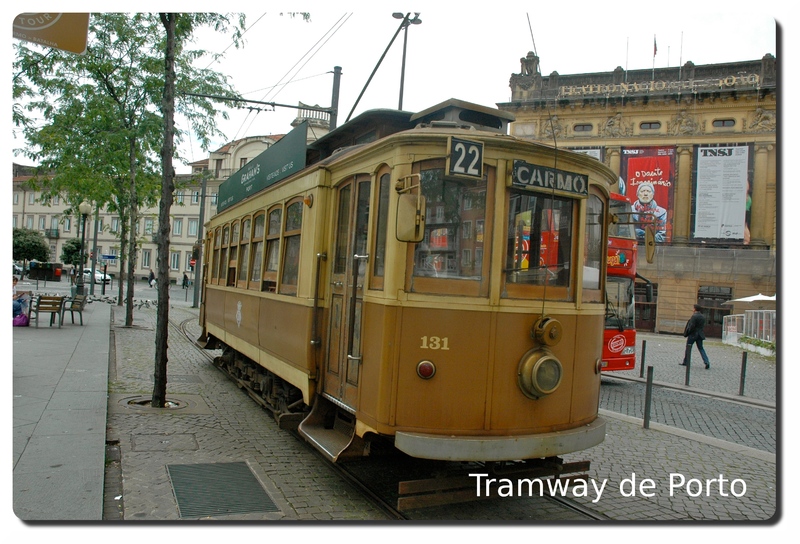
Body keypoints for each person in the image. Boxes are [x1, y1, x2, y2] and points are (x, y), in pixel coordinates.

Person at [682, 304, 710, 369]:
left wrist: (687, 333)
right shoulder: (702, 317)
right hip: (700, 335)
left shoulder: (694, 316)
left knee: (688, 348)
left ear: (695, 309)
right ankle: (706, 361)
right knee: (701, 348)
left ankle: (686, 362)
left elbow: (691, 326)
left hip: (693, 334)